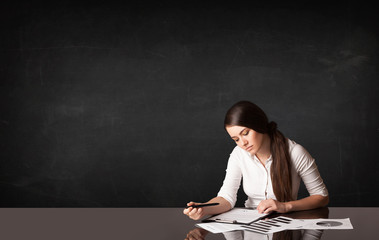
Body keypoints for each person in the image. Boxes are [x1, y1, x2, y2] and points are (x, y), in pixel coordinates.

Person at [183, 101, 329, 220]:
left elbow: (321, 197)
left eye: (245, 133)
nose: (243, 143)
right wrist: (204, 208)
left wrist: (285, 206)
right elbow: (227, 198)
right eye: (236, 139)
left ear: (259, 125)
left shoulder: (295, 152)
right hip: (250, 223)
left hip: (286, 224)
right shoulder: (238, 154)